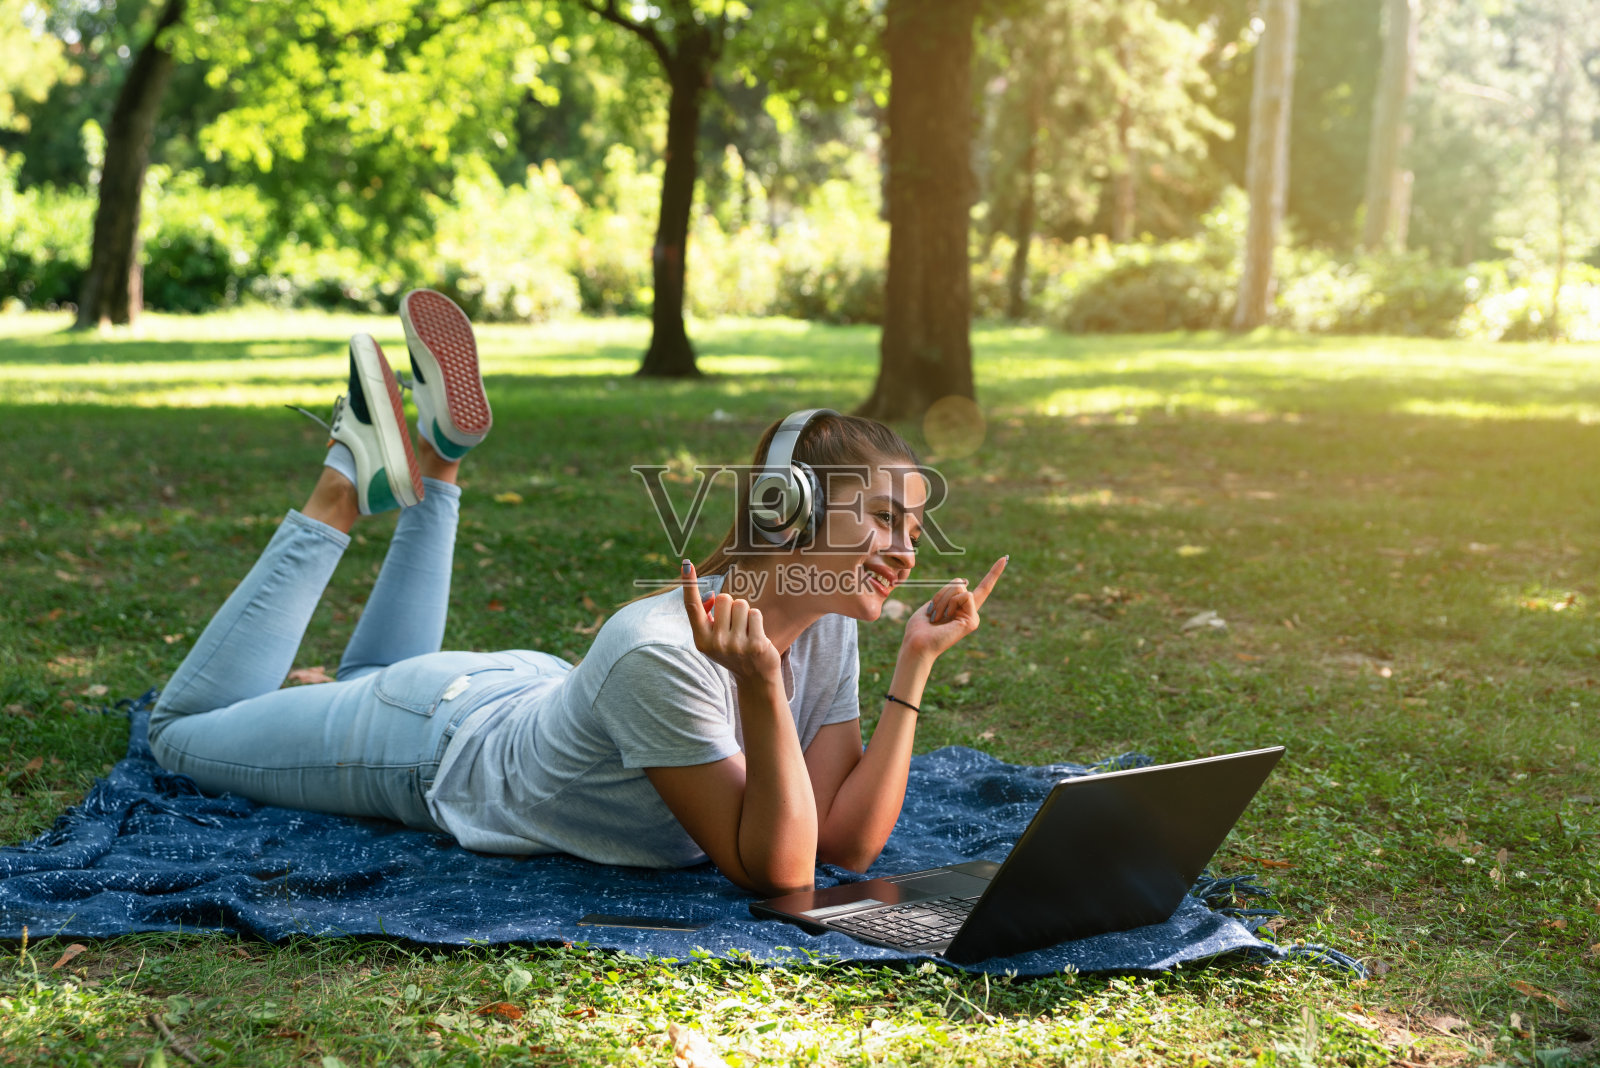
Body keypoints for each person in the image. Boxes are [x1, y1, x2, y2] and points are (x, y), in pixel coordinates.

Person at [149, 291, 1007, 896]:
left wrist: (915, 667)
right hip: (428, 746)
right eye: (886, 520)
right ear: (792, 512)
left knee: (371, 670)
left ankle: (439, 461)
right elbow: (778, 869)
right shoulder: (662, 651)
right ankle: (342, 486)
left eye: (916, 529)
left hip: (501, 692)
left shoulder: (826, 621)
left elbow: (843, 846)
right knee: (177, 736)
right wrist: (756, 687)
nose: (906, 552)